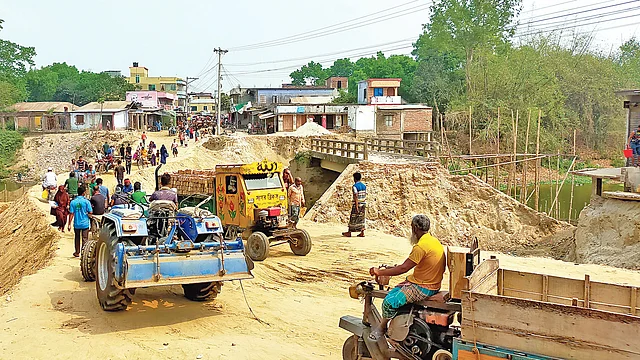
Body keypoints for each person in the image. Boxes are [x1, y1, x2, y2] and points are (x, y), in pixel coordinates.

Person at [368, 215, 446, 341]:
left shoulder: (420, 247)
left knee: (388, 302)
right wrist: (389, 269)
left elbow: (403, 268)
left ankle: (382, 328)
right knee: (396, 290)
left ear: (415, 228)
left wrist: (379, 272)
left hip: (423, 287)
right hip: (432, 283)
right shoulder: (433, 241)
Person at [68, 186, 93, 257]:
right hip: (85, 223)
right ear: (84, 193)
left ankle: (77, 252)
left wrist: (69, 224)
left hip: (77, 223)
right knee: (85, 239)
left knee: (77, 238)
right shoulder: (86, 202)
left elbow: (71, 214)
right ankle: (83, 253)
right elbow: (90, 212)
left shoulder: (73, 202)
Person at [343, 172, 367, 237]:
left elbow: (355, 196)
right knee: (361, 218)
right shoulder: (364, 186)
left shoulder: (354, 187)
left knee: (353, 218)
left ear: (354, 178)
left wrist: (356, 206)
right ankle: (362, 232)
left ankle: (349, 232)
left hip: (358, 203)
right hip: (363, 203)